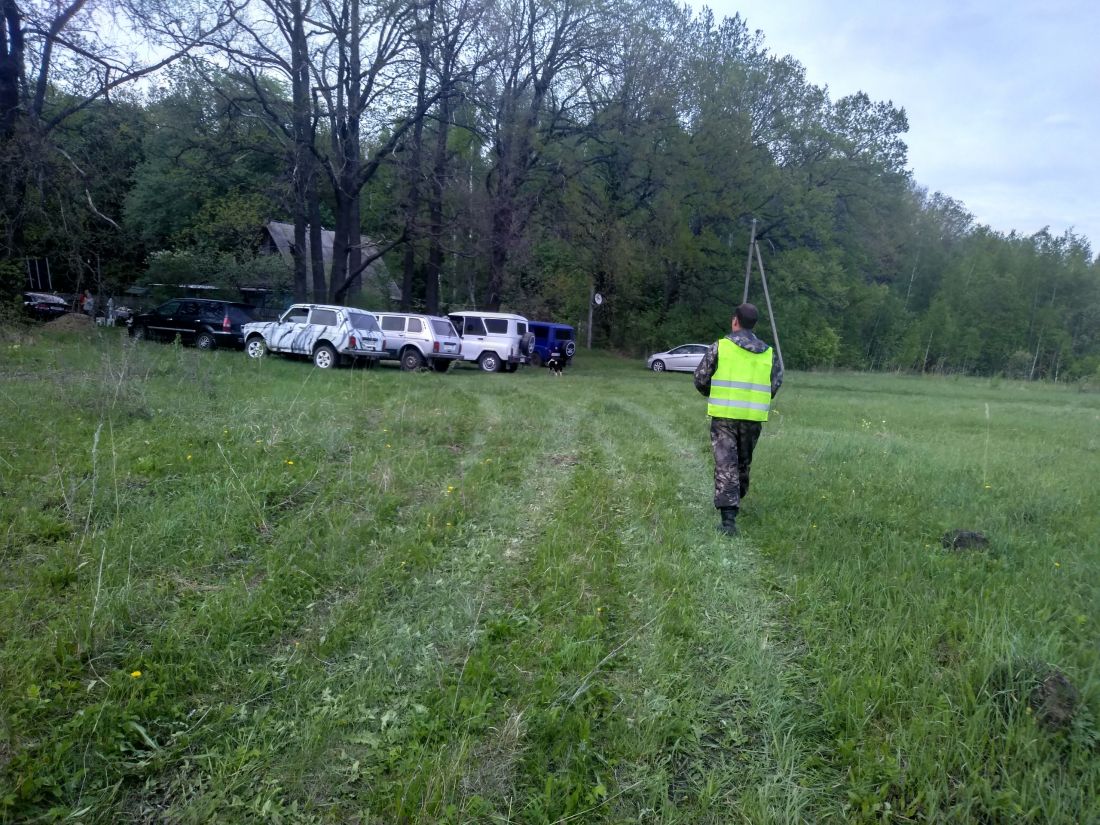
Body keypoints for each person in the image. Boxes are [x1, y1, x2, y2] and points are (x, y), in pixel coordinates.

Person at [693, 303, 783, 536]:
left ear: (735, 321)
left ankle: (728, 522)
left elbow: (701, 379)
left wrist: (712, 392)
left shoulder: (720, 347)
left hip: (724, 416)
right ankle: (734, 503)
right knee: (742, 463)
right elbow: (774, 384)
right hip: (753, 419)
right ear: (754, 324)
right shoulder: (769, 353)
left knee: (726, 464)